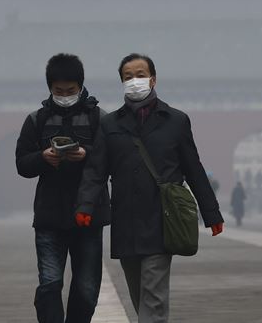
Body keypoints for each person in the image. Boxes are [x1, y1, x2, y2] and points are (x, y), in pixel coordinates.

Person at [75, 53, 224, 323]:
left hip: (161, 219)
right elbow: (95, 170)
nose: (135, 81)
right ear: (121, 82)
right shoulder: (110, 124)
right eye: (128, 76)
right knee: (140, 295)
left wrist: (211, 213)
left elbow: (193, 169)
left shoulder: (176, 121)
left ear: (153, 80)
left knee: (153, 297)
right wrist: (85, 205)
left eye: (141, 75)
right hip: (126, 219)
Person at [15, 54, 111, 323]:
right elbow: (22, 164)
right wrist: (42, 158)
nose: (65, 95)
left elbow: (111, 160)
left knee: (87, 288)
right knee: (49, 283)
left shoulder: (99, 119)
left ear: (81, 87)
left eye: (71, 91)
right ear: (50, 89)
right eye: (59, 91)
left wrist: (86, 154)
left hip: (89, 216)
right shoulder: (36, 120)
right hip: (50, 216)